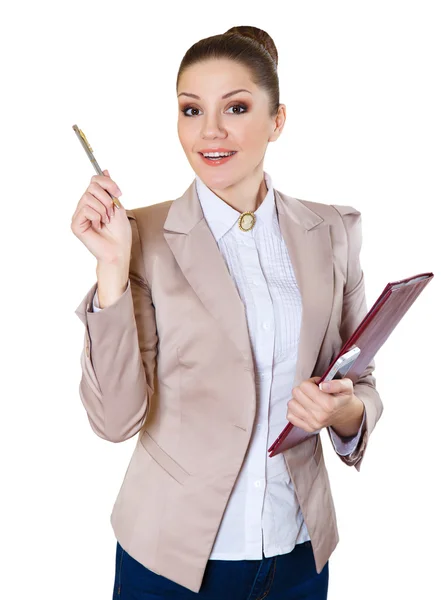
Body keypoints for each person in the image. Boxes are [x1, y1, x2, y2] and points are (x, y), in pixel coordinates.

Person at [71, 25, 383, 600]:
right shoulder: (140, 235)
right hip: (170, 562)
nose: (210, 131)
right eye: (191, 110)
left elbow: (359, 384)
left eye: (235, 108)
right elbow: (115, 421)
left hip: (297, 556)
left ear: (277, 121)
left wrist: (342, 412)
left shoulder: (334, 230)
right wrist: (111, 269)